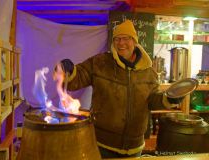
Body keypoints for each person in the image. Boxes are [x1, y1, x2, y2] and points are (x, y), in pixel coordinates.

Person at [53, 20, 182, 158]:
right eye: (117, 39)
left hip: (135, 147)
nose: (121, 43)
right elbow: (77, 78)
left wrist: (169, 98)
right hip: (102, 144)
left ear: (134, 41)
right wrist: (69, 70)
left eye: (126, 38)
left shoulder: (148, 72)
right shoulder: (100, 62)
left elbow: (153, 100)